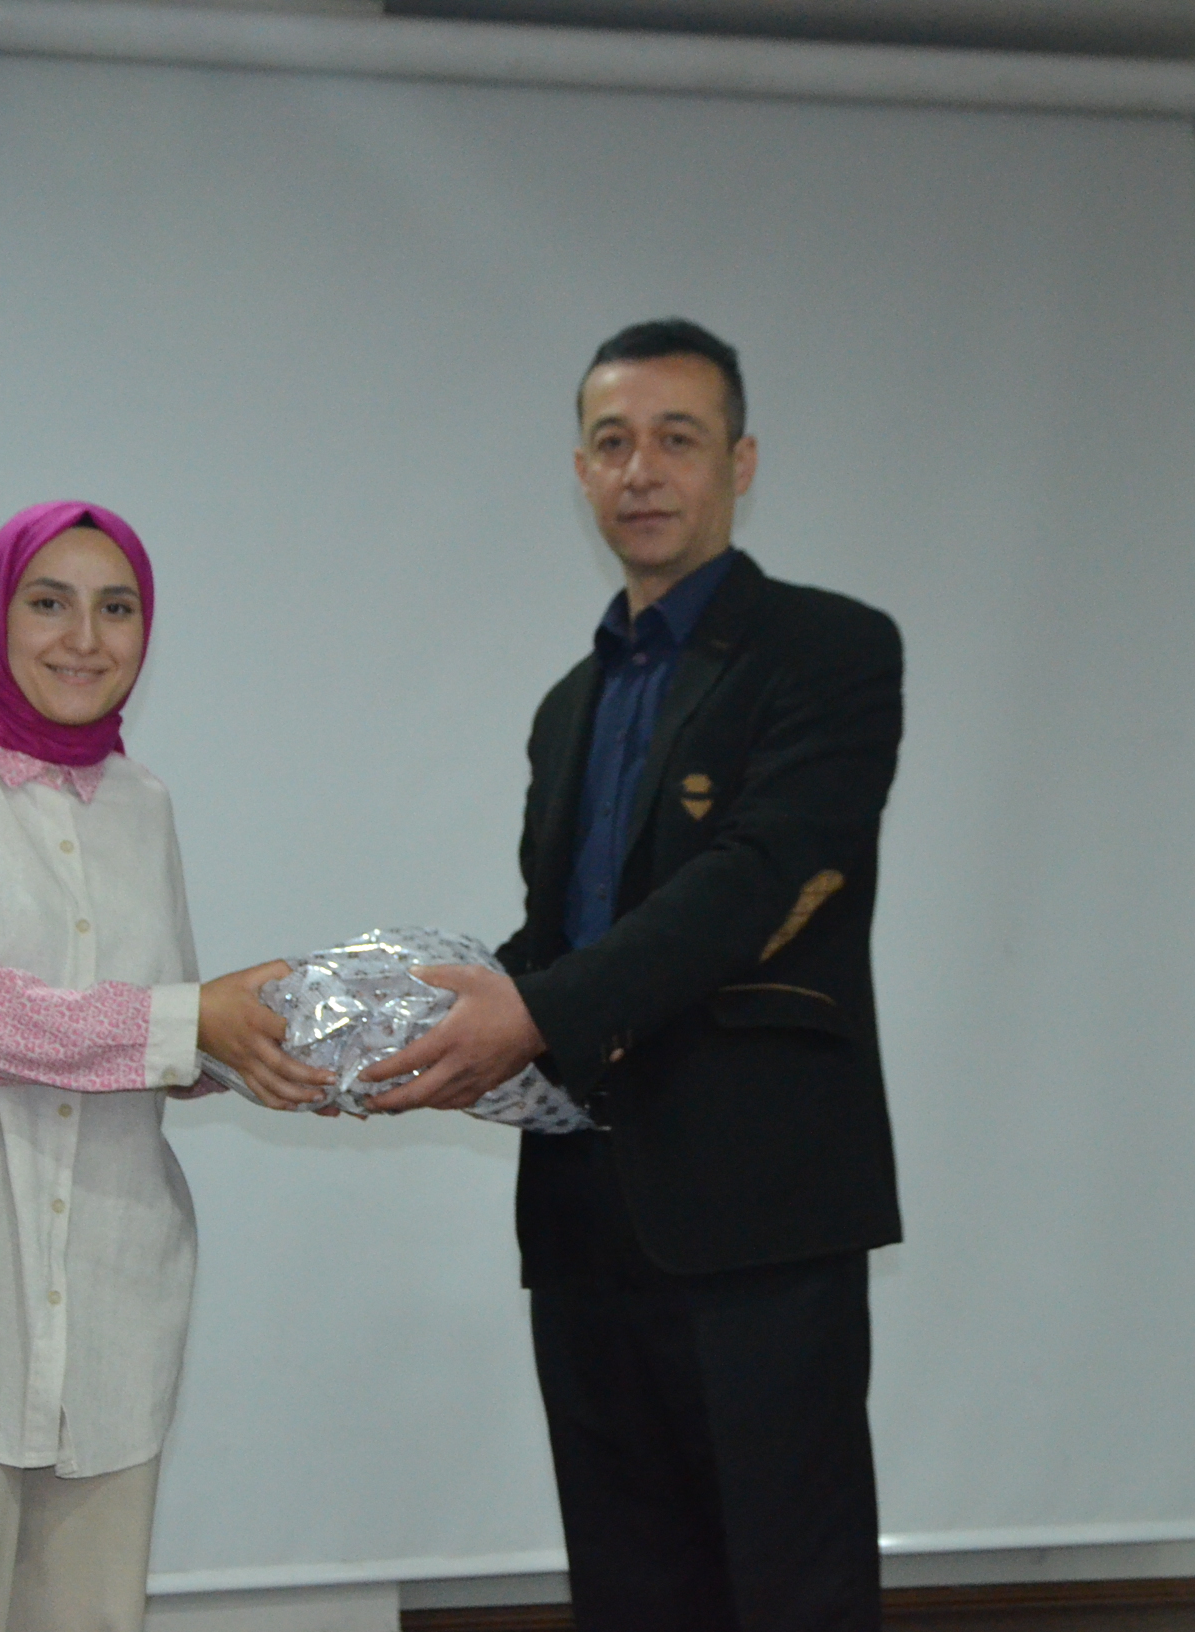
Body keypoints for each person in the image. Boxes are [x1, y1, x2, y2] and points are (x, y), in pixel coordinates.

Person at [366, 321, 906, 1632]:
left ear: (741, 463)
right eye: (612, 442)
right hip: (583, 1217)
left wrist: (532, 1013)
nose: (642, 470)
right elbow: (559, 937)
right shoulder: (569, 705)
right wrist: (387, 1021)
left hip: (760, 1210)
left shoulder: (828, 649)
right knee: (629, 1591)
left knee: (790, 1590)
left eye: (678, 438)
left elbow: (758, 879)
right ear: (580, 472)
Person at [0, 500, 329, 1632]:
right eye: (49, 602)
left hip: (110, 1308)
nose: (85, 638)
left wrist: (289, 1046)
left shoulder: (144, 805)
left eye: (116, 608)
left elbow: (142, 1036)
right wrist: (192, 1023)